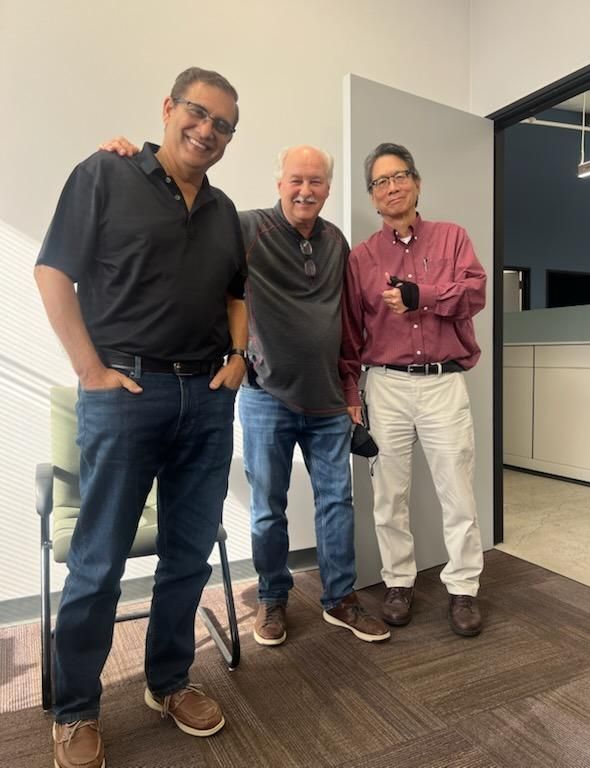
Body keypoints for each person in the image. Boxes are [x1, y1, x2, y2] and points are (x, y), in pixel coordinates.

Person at [35, 67, 247, 768]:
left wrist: (238, 357)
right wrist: (89, 371)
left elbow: (237, 293)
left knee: (188, 554)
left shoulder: (223, 211)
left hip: (206, 398)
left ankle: (169, 681)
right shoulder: (106, 172)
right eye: (198, 112)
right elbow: (53, 271)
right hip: (126, 394)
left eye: (223, 125)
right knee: (97, 563)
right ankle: (75, 709)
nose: (208, 130)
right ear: (168, 108)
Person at [98, 140, 389, 646]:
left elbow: (345, 321)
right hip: (265, 397)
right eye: (296, 180)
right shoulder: (247, 227)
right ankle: (273, 597)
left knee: (337, 503)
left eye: (315, 181)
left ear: (328, 188)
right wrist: (129, 163)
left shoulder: (337, 241)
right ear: (279, 183)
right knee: (268, 507)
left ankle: (340, 598)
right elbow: (189, 237)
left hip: (327, 400)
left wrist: (350, 388)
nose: (305, 190)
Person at [341, 142, 486, 638]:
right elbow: (351, 331)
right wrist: (351, 392)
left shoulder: (452, 238)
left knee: (458, 492)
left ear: (417, 183)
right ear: (372, 196)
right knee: (389, 495)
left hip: (444, 383)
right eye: (381, 182)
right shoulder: (361, 257)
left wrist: (421, 296)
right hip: (386, 387)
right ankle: (398, 582)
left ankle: (463, 588)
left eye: (400, 176)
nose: (392, 187)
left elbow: (475, 293)